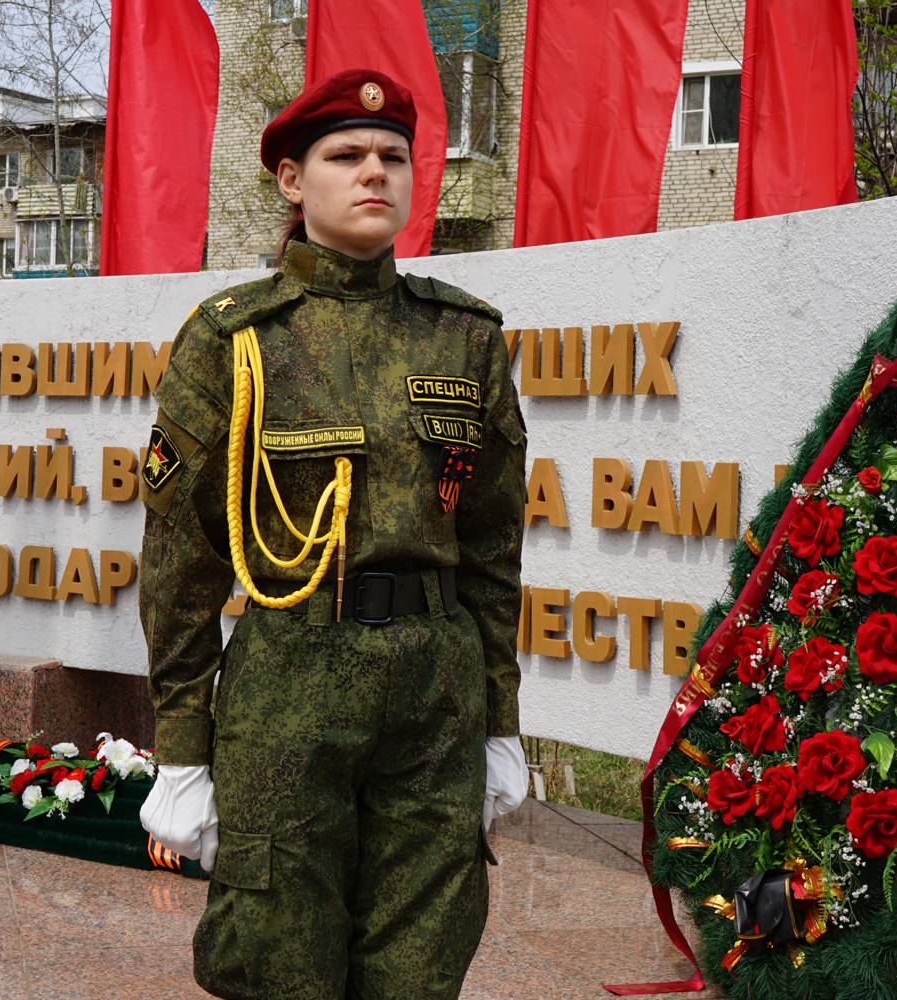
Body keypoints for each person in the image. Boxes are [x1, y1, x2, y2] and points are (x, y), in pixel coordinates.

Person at [135, 67, 530, 1000]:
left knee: (426, 951)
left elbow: (491, 553)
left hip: (435, 684)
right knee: (278, 955)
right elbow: (180, 564)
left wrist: (500, 719)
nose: (374, 173)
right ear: (289, 179)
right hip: (293, 678)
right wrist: (184, 748)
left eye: (393, 156)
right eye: (346, 155)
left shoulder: (465, 337)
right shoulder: (234, 338)